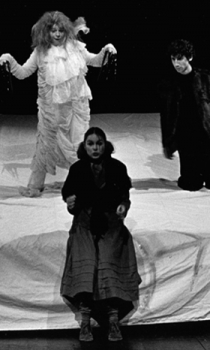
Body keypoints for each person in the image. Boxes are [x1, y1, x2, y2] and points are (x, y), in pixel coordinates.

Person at [0, 11, 116, 197]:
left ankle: (86, 183)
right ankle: (35, 185)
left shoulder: (76, 48)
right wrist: (9, 60)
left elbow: (95, 61)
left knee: (79, 144)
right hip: (51, 111)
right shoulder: (40, 52)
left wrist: (106, 50)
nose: (58, 34)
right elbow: (23, 72)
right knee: (45, 145)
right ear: (47, 32)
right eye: (53, 31)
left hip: (76, 106)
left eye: (61, 30)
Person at [61, 127, 141, 342]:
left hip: (110, 224)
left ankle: (113, 320)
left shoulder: (117, 168)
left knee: (107, 262)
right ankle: (85, 321)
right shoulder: (77, 169)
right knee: (87, 266)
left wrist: (123, 207)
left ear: (105, 145)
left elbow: (124, 196)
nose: (95, 148)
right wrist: (70, 203)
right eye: (90, 144)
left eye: (99, 143)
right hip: (85, 224)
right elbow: (70, 197)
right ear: (84, 146)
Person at [158, 39, 210, 191]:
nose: (176, 63)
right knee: (190, 185)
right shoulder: (169, 83)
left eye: (180, 58)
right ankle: (196, 171)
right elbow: (165, 115)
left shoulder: (205, 77)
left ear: (189, 57)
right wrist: (167, 143)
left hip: (206, 132)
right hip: (185, 136)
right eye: (173, 59)